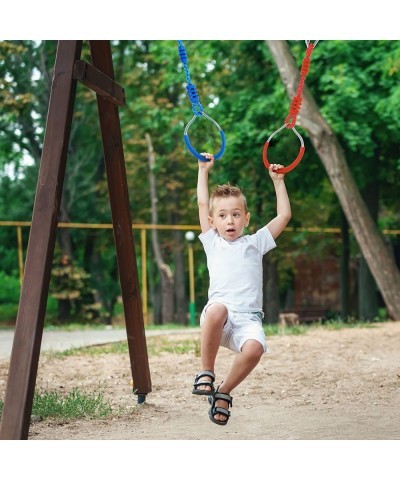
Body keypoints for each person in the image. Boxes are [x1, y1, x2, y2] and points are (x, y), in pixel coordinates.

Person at [192, 152, 291, 426]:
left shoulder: (256, 242)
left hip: (247, 321)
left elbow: (284, 215)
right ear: (213, 221)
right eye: (222, 215)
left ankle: (223, 393)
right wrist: (203, 170)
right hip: (219, 320)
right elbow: (202, 203)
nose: (230, 221)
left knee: (255, 348)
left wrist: (278, 181)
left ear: (246, 218)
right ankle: (206, 372)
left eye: (236, 214)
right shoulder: (212, 242)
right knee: (217, 308)